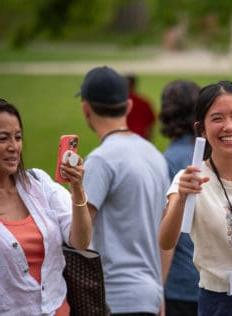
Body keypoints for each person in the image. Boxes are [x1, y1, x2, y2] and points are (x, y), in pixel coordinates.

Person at [159, 81, 232, 316]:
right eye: (217, 119)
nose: (229, 126)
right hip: (219, 300)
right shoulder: (190, 178)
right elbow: (166, 241)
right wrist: (182, 198)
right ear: (201, 129)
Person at [77, 66, 169, 315]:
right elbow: (166, 237)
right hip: (149, 295)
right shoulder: (155, 156)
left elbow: (78, 238)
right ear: (128, 106)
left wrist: (75, 188)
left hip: (115, 299)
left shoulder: (101, 160)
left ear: (86, 108)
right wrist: (159, 292)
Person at [0, 98, 92, 315]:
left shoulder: (38, 184)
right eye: (3, 138)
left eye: (18, 137)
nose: (14, 147)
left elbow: (80, 241)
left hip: (57, 309)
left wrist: (77, 188)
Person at [159, 80, 201, 316]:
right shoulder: (212, 158)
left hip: (178, 285)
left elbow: (165, 230)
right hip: (211, 282)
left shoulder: (166, 162)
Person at [125, 74, 156, 140]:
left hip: (121, 141)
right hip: (141, 140)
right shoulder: (144, 102)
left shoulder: (116, 104)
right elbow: (150, 127)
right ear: (134, 84)